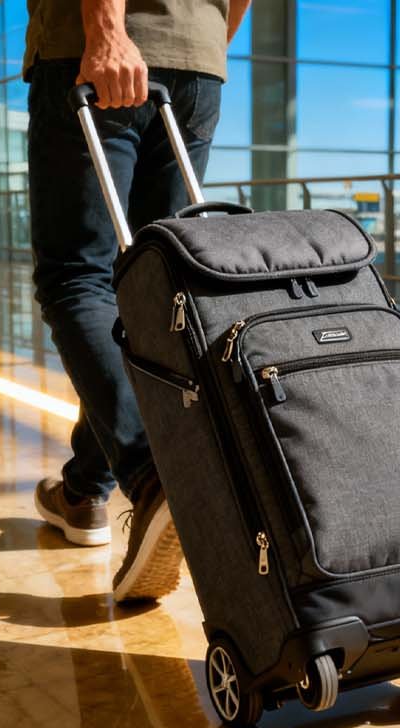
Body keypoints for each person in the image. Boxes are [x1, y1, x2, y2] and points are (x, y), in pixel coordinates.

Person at [23, 0, 249, 602]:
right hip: (198, 62)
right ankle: (83, 488)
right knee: (147, 286)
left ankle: (155, 479)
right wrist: (206, 43)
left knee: (78, 277)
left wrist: (108, 31)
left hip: (98, 53)